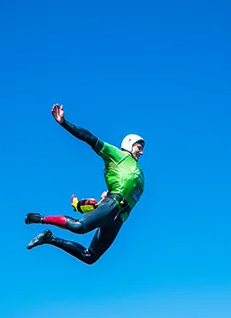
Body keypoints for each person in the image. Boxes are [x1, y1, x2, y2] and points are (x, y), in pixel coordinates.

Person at [25, 104, 145, 264]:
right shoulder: (117, 155)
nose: (142, 152)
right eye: (139, 147)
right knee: (79, 227)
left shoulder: (140, 172)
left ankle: (50, 238)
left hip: (119, 219)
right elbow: (89, 138)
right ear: (129, 145)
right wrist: (64, 123)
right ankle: (41, 219)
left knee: (90, 257)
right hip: (112, 204)